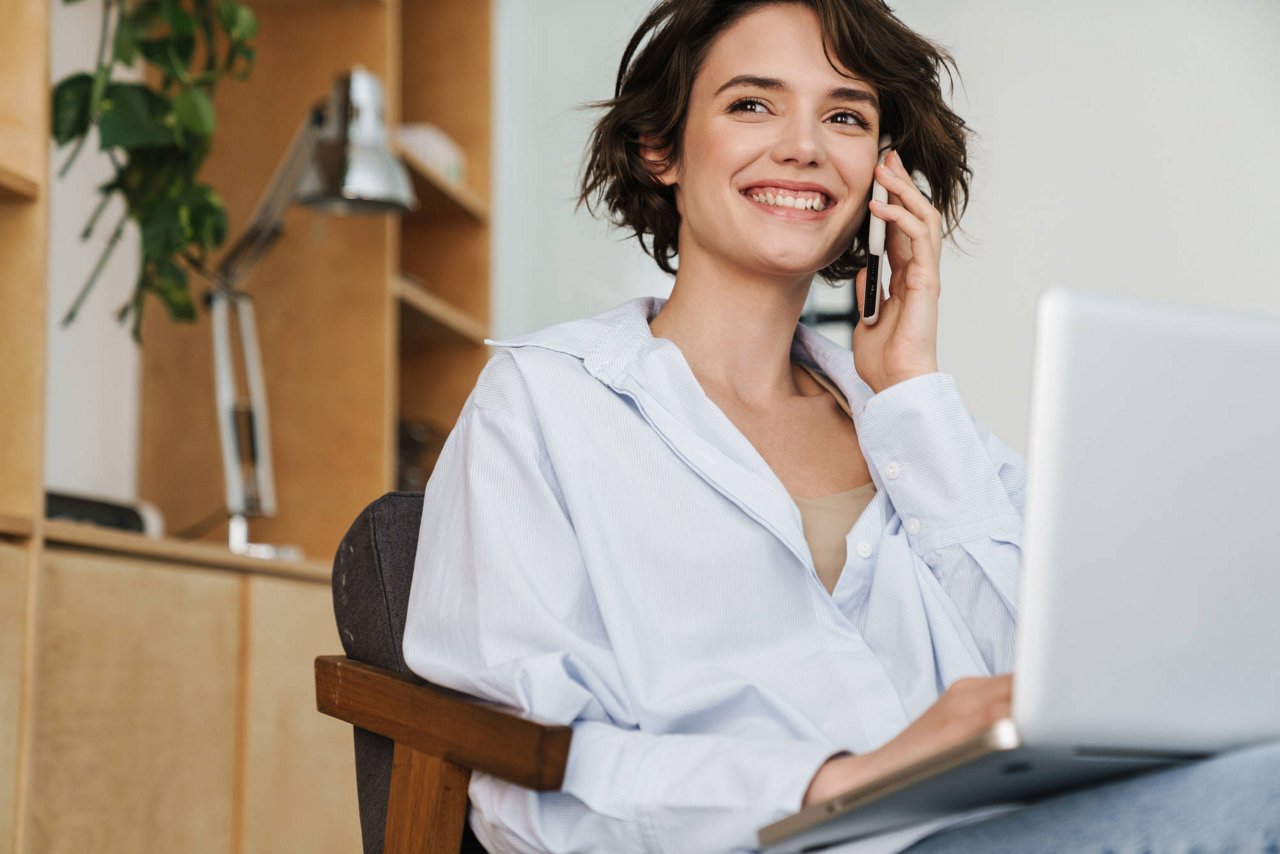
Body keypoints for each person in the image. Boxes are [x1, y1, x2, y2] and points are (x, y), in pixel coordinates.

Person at [403, 1, 1280, 852]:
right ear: (660, 148)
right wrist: (842, 779)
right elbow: (520, 773)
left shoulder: (920, 430)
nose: (803, 146)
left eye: (847, 116)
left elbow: (1069, 696)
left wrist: (912, 398)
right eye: (752, 104)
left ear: (881, 174)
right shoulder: (545, 403)